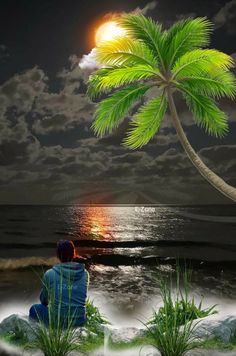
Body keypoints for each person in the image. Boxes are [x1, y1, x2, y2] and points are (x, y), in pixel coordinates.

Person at [29, 240, 89, 327]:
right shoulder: (85, 274)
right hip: (79, 321)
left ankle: (35, 335)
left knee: (34, 308)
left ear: (58, 255)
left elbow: (44, 301)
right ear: (73, 254)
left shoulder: (50, 274)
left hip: (58, 321)